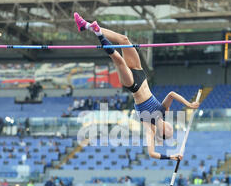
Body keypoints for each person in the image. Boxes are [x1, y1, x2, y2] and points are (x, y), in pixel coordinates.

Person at [74, 13, 199, 160]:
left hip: (133, 85)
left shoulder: (149, 127)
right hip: (140, 73)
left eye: (170, 130)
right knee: (124, 40)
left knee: (118, 59)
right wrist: (189, 104)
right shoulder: (164, 111)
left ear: (163, 131)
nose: (171, 126)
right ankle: (87, 26)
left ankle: (99, 33)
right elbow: (172, 94)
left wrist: (171, 157)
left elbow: (152, 153)